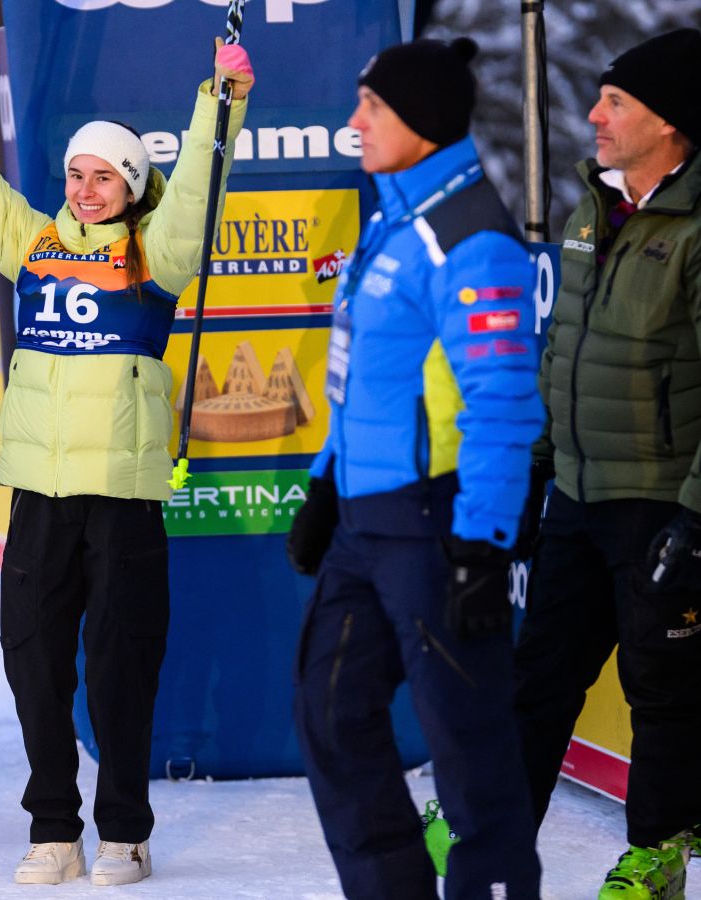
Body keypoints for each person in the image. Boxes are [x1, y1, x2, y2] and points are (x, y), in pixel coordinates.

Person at [0, 11, 253, 885]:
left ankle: (124, 833)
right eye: (75, 172)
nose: (85, 187)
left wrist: (221, 97)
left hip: (123, 495)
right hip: (39, 491)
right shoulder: (31, 241)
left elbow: (198, 194)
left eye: (103, 175)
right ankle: (53, 829)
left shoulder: (158, 252)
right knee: (31, 659)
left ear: (133, 184)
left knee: (119, 666)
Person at [284, 38, 543, 898]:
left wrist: (484, 541)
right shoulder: (392, 220)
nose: (355, 123)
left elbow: (504, 400)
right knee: (328, 711)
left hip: (438, 525)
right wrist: (327, 479)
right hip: (367, 522)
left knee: (468, 744)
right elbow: (365, 379)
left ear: (423, 126)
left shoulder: (470, 238)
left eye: (374, 109)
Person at [512, 27, 701, 899]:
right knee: (540, 673)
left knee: (661, 688)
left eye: (615, 101)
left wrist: (695, 520)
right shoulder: (597, 206)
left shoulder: (696, 227)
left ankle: (658, 855)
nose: (593, 115)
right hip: (579, 492)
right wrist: (536, 472)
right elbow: (566, 353)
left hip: (661, 505)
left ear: (670, 123)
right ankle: (497, 833)